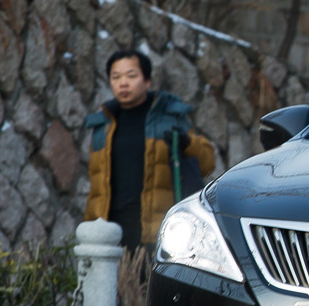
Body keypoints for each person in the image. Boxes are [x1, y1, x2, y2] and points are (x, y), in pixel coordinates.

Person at [83, 49, 217, 249]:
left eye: (132, 76)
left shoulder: (170, 118)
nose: (123, 83)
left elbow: (207, 163)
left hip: (157, 233)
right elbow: (97, 189)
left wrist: (187, 142)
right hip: (109, 234)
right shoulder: (103, 126)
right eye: (116, 77)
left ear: (147, 81)